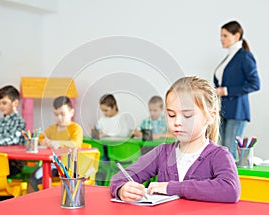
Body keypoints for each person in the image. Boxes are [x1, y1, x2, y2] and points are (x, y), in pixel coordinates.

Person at [110, 76, 240, 203]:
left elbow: (230, 190)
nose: (177, 122)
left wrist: (171, 187)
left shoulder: (219, 155)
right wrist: (122, 189)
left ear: (210, 117)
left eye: (187, 115)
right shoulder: (161, 152)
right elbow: (119, 178)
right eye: (171, 115)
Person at [214, 20, 260, 159]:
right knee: (221, 150)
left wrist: (226, 91)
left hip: (237, 111)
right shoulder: (229, 57)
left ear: (236, 35)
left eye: (225, 35)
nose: (221, 39)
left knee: (229, 152)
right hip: (223, 110)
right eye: (221, 35)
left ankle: (230, 181)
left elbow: (255, 84)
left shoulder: (245, 56)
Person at [28, 96, 83, 192]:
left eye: (62, 114)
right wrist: (43, 141)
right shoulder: (52, 129)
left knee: (38, 178)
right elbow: (38, 138)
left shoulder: (75, 128)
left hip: (69, 167)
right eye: (56, 114)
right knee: (33, 178)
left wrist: (58, 143)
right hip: (53, 164)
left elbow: (76, 144)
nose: (59, 118)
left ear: (71, 113)